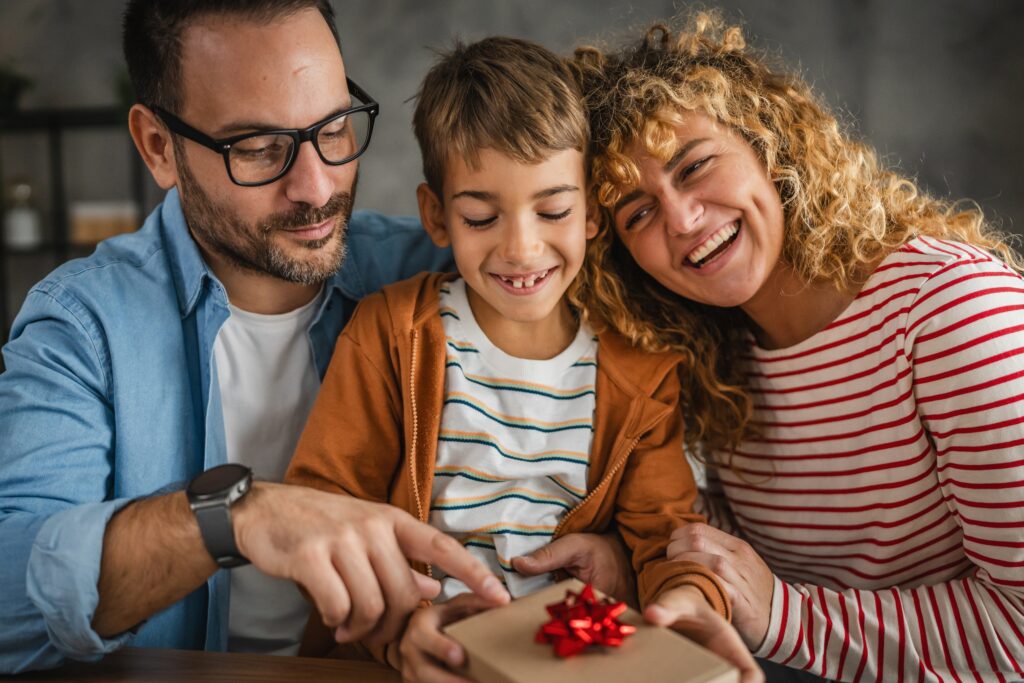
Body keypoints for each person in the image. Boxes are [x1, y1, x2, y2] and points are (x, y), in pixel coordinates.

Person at [0, 1, 517, 673]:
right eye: (257, 148)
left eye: (333, 127)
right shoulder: (81, 326)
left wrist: (632, 546)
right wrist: (232, 515)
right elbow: (10, 603)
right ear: (159, 146)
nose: (316, 185)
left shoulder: (436, 275)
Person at [284, 36, 761, 683]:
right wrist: (398, 633)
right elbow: (321, 512)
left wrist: (686, 601)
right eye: (482, 217)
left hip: (572, 664)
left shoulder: (640, 372)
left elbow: (667, 536)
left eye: (553, 209)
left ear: (593, 210)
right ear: (437, 216)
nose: (522, 247)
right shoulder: (393, 334)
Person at [567, 10, 1024, 682]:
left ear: (771, 145)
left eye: (695, 167)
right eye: (638, 211)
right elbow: (752, 557)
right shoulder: (713, 351)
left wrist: (786, 618)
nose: (683, 220)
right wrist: (630, 558)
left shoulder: (954, 311)